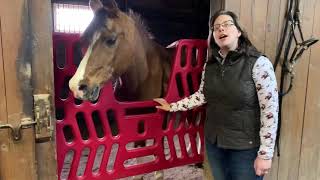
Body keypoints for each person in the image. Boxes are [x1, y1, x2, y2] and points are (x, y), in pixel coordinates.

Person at [154, 10, 278, 180]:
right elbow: (202, 95)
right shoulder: (210, 66)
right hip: (215, 144)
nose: (221, 29)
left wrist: (265, 154)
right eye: (216, 27)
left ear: (239, 32)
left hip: (244, 148)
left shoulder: (259, 64)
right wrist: (172, 106)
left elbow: (270, 111)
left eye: (227, 24)